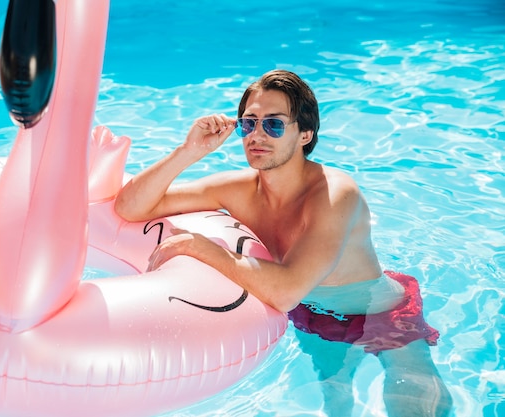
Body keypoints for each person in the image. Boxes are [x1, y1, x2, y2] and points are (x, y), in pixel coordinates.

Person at [114, 69, 452, 416]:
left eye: (273, 125)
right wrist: (188, 152)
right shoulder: (239, 190)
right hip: (312, 311)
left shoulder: (335, 195)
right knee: (335, 398)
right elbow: (130, 207)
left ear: (305, 134)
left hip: (380, 312)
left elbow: (286, 291)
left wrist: (204, 249)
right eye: (248, 124)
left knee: (411, 396)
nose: (257, 135)